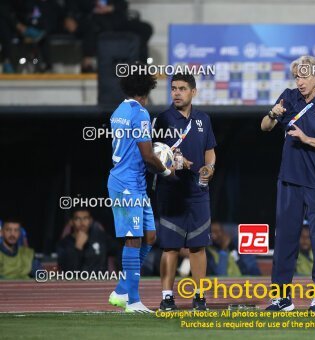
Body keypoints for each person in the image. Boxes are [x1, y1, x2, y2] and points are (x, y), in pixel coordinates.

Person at [260, 55, 315, 312]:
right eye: (297, 76)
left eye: (305, 76)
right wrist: (272, 114)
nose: (300, 81)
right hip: (289, 180)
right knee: (285, 240)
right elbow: (264, 127)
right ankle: (281, 297)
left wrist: (306, 138)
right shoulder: (288, 96)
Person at [106, 66, 176, 313]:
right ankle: (133, 301)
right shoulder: (140, 113)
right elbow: (147, 155)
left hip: (132, 183)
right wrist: (167, 170)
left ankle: (122, 289)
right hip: (127, 185)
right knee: (133, 240)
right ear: (146, 91)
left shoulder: (119, 111)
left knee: (150, 237)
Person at [155, 72, 216, 311]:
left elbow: (210, 150)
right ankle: (167, 297)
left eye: (182, 88)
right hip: (171, 191)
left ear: (193, 92)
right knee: (170, 246)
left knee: (198, 246)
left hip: (198, 192)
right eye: (173, 89)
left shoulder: (204, 119)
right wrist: (174, 164)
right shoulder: (162, 119)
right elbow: (154, 154)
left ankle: (200, 297)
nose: (176, 93)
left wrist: (209, 168)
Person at [63, 0, 153, 73]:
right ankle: (88, 63)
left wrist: (111, 8)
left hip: (116, 21)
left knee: (145, 28)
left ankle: (139, 64)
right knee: (93, 27)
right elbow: (72, 8)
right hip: (93, 21)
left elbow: (123, 4)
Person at [57, 208, 117, 273]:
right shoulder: (64, 244)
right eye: (77, 218)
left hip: (100, 281)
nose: (82, 222)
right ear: (71, 222)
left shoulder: (101, 237)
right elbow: (68, 272)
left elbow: (119, 252)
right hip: (77, 282)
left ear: (91, 221)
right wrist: (78, 248)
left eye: (85, 218)